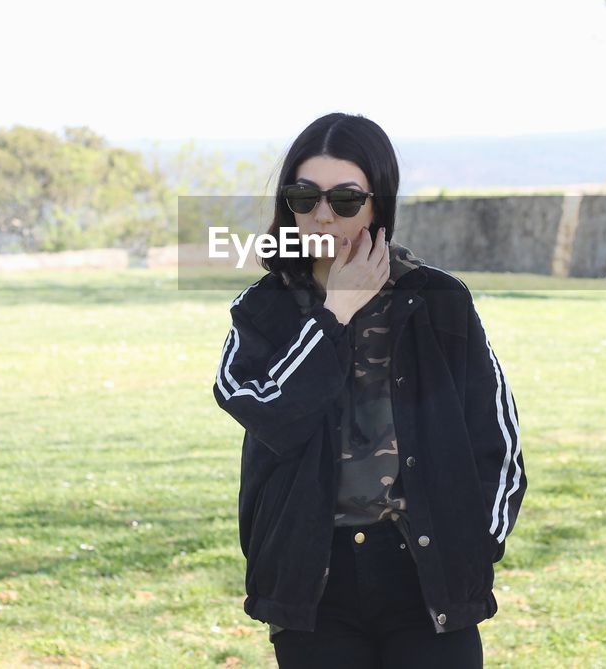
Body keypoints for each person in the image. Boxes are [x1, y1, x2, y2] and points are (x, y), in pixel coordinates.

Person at [212, 112, 527, 668]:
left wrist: (476, 544)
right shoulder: (263, 310)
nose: (323, 216)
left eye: (346, 199)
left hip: (427, 575)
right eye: (304, 197)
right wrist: (335, 312)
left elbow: (497, 439)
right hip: (313, 581)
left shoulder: (440, 301)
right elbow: (267, 413)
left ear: (380, 203)